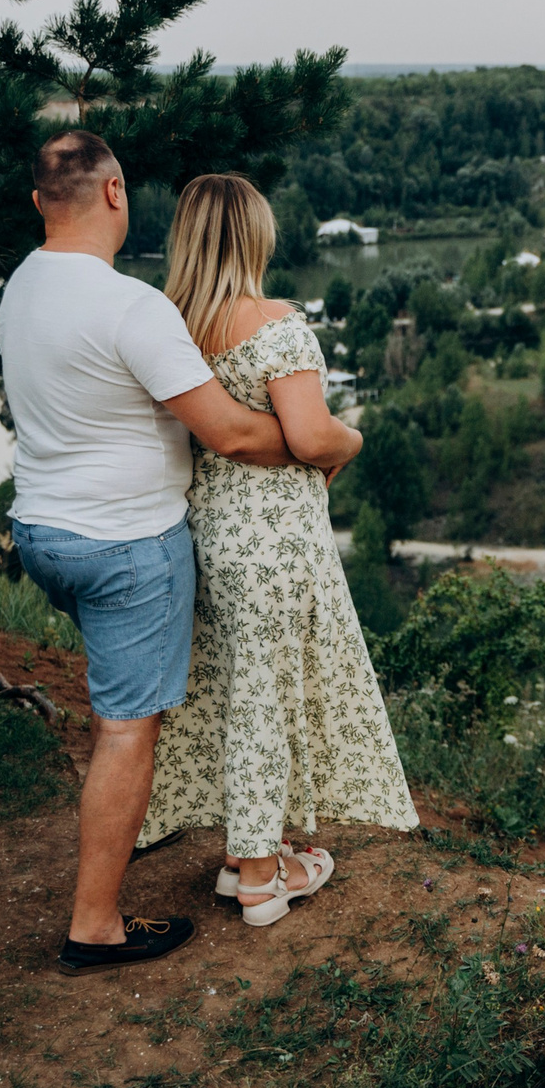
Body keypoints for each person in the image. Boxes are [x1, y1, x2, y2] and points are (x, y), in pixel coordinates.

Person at [0, 131, 297, 976]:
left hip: (43, 532)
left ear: (39, 203)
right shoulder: (131, 306)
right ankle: (94, 923)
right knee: (127, 730)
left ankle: (146, 833)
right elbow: (232, 432)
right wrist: (312, 444)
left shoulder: (20, 287)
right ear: (118, 193)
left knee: (121, 711)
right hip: (125, 544)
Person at [139, 174, 419, 926]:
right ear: (255, 236)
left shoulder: (170, 328)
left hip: (204, 531)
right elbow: (312, 436)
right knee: (270, 692)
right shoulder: (280, 325)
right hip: (273, 540)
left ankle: (245, 852)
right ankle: (263, 878)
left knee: (238, 687)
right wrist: (354, 438)